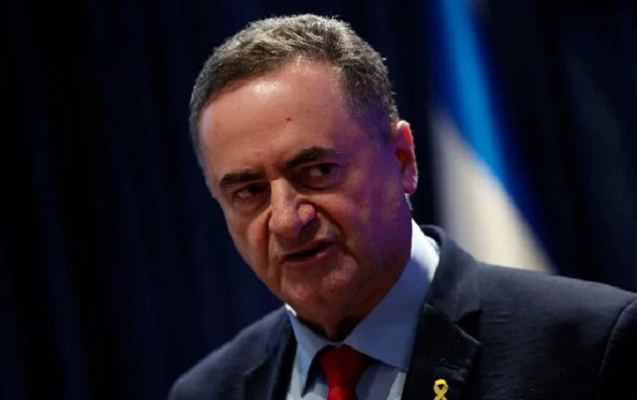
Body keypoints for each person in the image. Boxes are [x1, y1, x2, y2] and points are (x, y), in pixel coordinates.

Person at [169, 14, 637, 400]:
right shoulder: (207, 393)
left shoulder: (587, 347)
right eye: (249, 191)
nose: (288, 221)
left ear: (403, 159)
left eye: (318, 171)